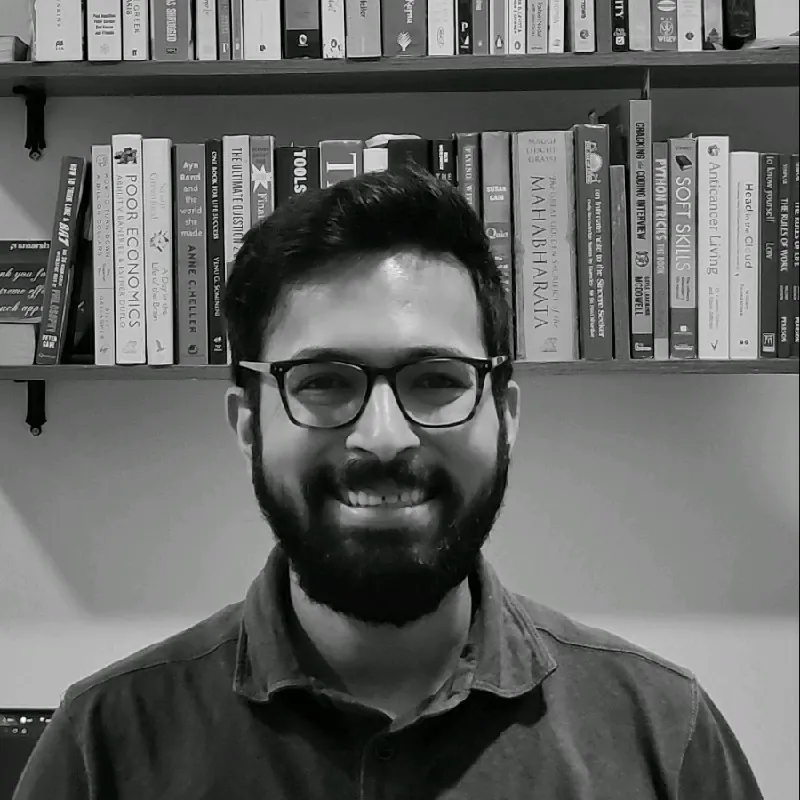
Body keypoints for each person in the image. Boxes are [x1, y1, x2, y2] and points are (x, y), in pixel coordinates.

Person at [14, 167, 763, 799]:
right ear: (248, 423)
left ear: (505, 414)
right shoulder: (102, 746)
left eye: (436, 379)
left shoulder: (664, 735)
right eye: (322, 381)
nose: (382, 437)